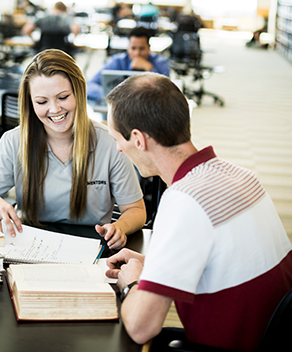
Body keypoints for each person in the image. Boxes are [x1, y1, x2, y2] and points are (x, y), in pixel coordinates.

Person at [104, 72, 292, 351]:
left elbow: (142, 327)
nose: (118, 149)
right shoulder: (241, 176)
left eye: (117, 138)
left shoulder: (183, 200)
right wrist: (151, 263)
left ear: (138, 139)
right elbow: (220, 259)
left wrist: (132, 283)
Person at [0, 49, 146, 250]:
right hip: (30, 246)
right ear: (30, 102)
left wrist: (120, 227)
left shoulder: (109, 142)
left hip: (91, 247)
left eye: (62, 97)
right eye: (42, 102)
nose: (54, 110)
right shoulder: (13, 141)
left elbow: (136, 209)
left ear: (78, 93)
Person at [86, 26, 170, 102]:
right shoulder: (117, 61)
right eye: (133, 48)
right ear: (128, 47)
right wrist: (114, 96)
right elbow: (89, 86)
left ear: (149, 47)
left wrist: (150, 69)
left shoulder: (160, 62)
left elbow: (167, 93)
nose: (137, 53)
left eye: (141, 48)